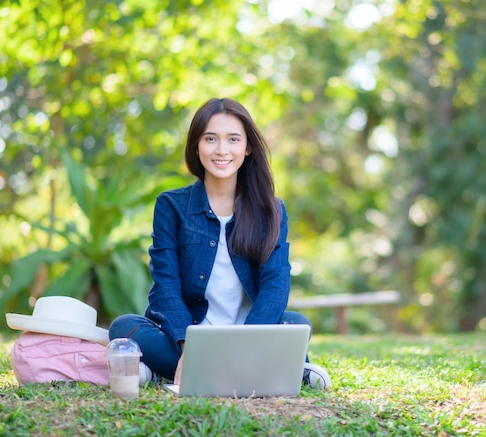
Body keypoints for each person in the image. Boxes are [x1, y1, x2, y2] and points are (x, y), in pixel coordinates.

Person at [108, 97, 330, 389]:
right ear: (196, 146)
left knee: (297, 323)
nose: (222, 150)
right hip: (188, 336)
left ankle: (163, 371)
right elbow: (165, 286)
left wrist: (247, 343)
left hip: (250, 335)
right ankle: (278, 368)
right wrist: (190, 347)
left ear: (247, 147)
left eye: (233, 139)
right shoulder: (171, 205)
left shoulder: (271, 210)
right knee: (123, 327)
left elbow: (276, 285)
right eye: (210, 138)